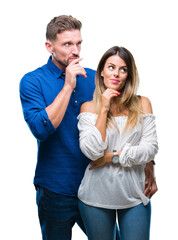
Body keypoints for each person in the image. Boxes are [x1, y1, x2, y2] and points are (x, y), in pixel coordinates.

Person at [19, 15, 157, 240]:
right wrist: (68, 85)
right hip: (56, 189)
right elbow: (40, 130)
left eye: (78, 43)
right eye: (67, 44)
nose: (75, 50)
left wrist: (148, 164)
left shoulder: (95, 77)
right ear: (49, 46)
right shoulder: (32, 81)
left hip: (98, 186)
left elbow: (128, 125)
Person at [77, 46, 158, 240]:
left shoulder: (142, 103)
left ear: (129, 75)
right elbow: (93, 152)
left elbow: (150, 148)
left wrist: (111, 157)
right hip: (95, 197)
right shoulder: (89, 107)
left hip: (134, 196)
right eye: (111, 67)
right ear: (102, 72)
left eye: (123, 69)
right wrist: (103, 109)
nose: (117, 74)